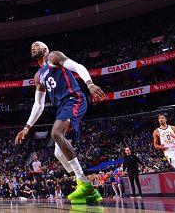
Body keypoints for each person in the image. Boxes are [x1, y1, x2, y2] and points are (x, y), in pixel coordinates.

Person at [15, 41, 106, 204]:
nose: (33, 47)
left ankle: (83, 183)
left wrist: (90, 84)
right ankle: (89, 190)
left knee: (55, 133)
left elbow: (78, 66)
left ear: (45, 49)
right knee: (58, 153)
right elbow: (39, 104)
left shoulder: (53, 56)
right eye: (31, 46)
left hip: (74, 99)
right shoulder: (38, 76)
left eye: (36, 45)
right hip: (62, 107)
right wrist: (26, 128)